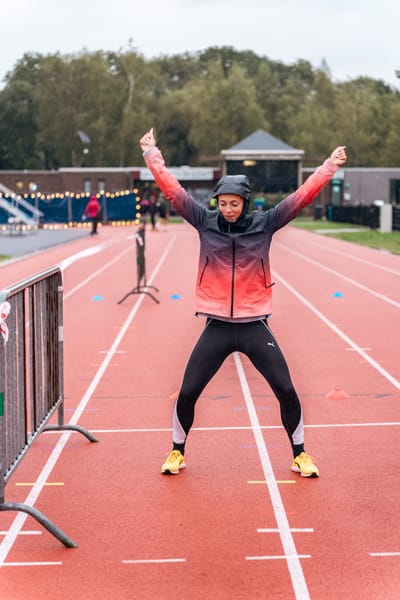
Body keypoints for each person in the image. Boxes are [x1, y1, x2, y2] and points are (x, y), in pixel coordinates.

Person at [140, 128, 347, 478]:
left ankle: (300, 455)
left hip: (254, 325)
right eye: (223, 203)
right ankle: (177, 452)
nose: (228, 209)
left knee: (286, 389)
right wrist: (151, 155)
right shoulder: (205, 222)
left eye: (234, 203)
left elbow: (300, 197)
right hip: (218, 325)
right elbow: (173, 192)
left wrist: (329, 166)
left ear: (245, 203)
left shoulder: (265, 225)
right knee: (188, 391)